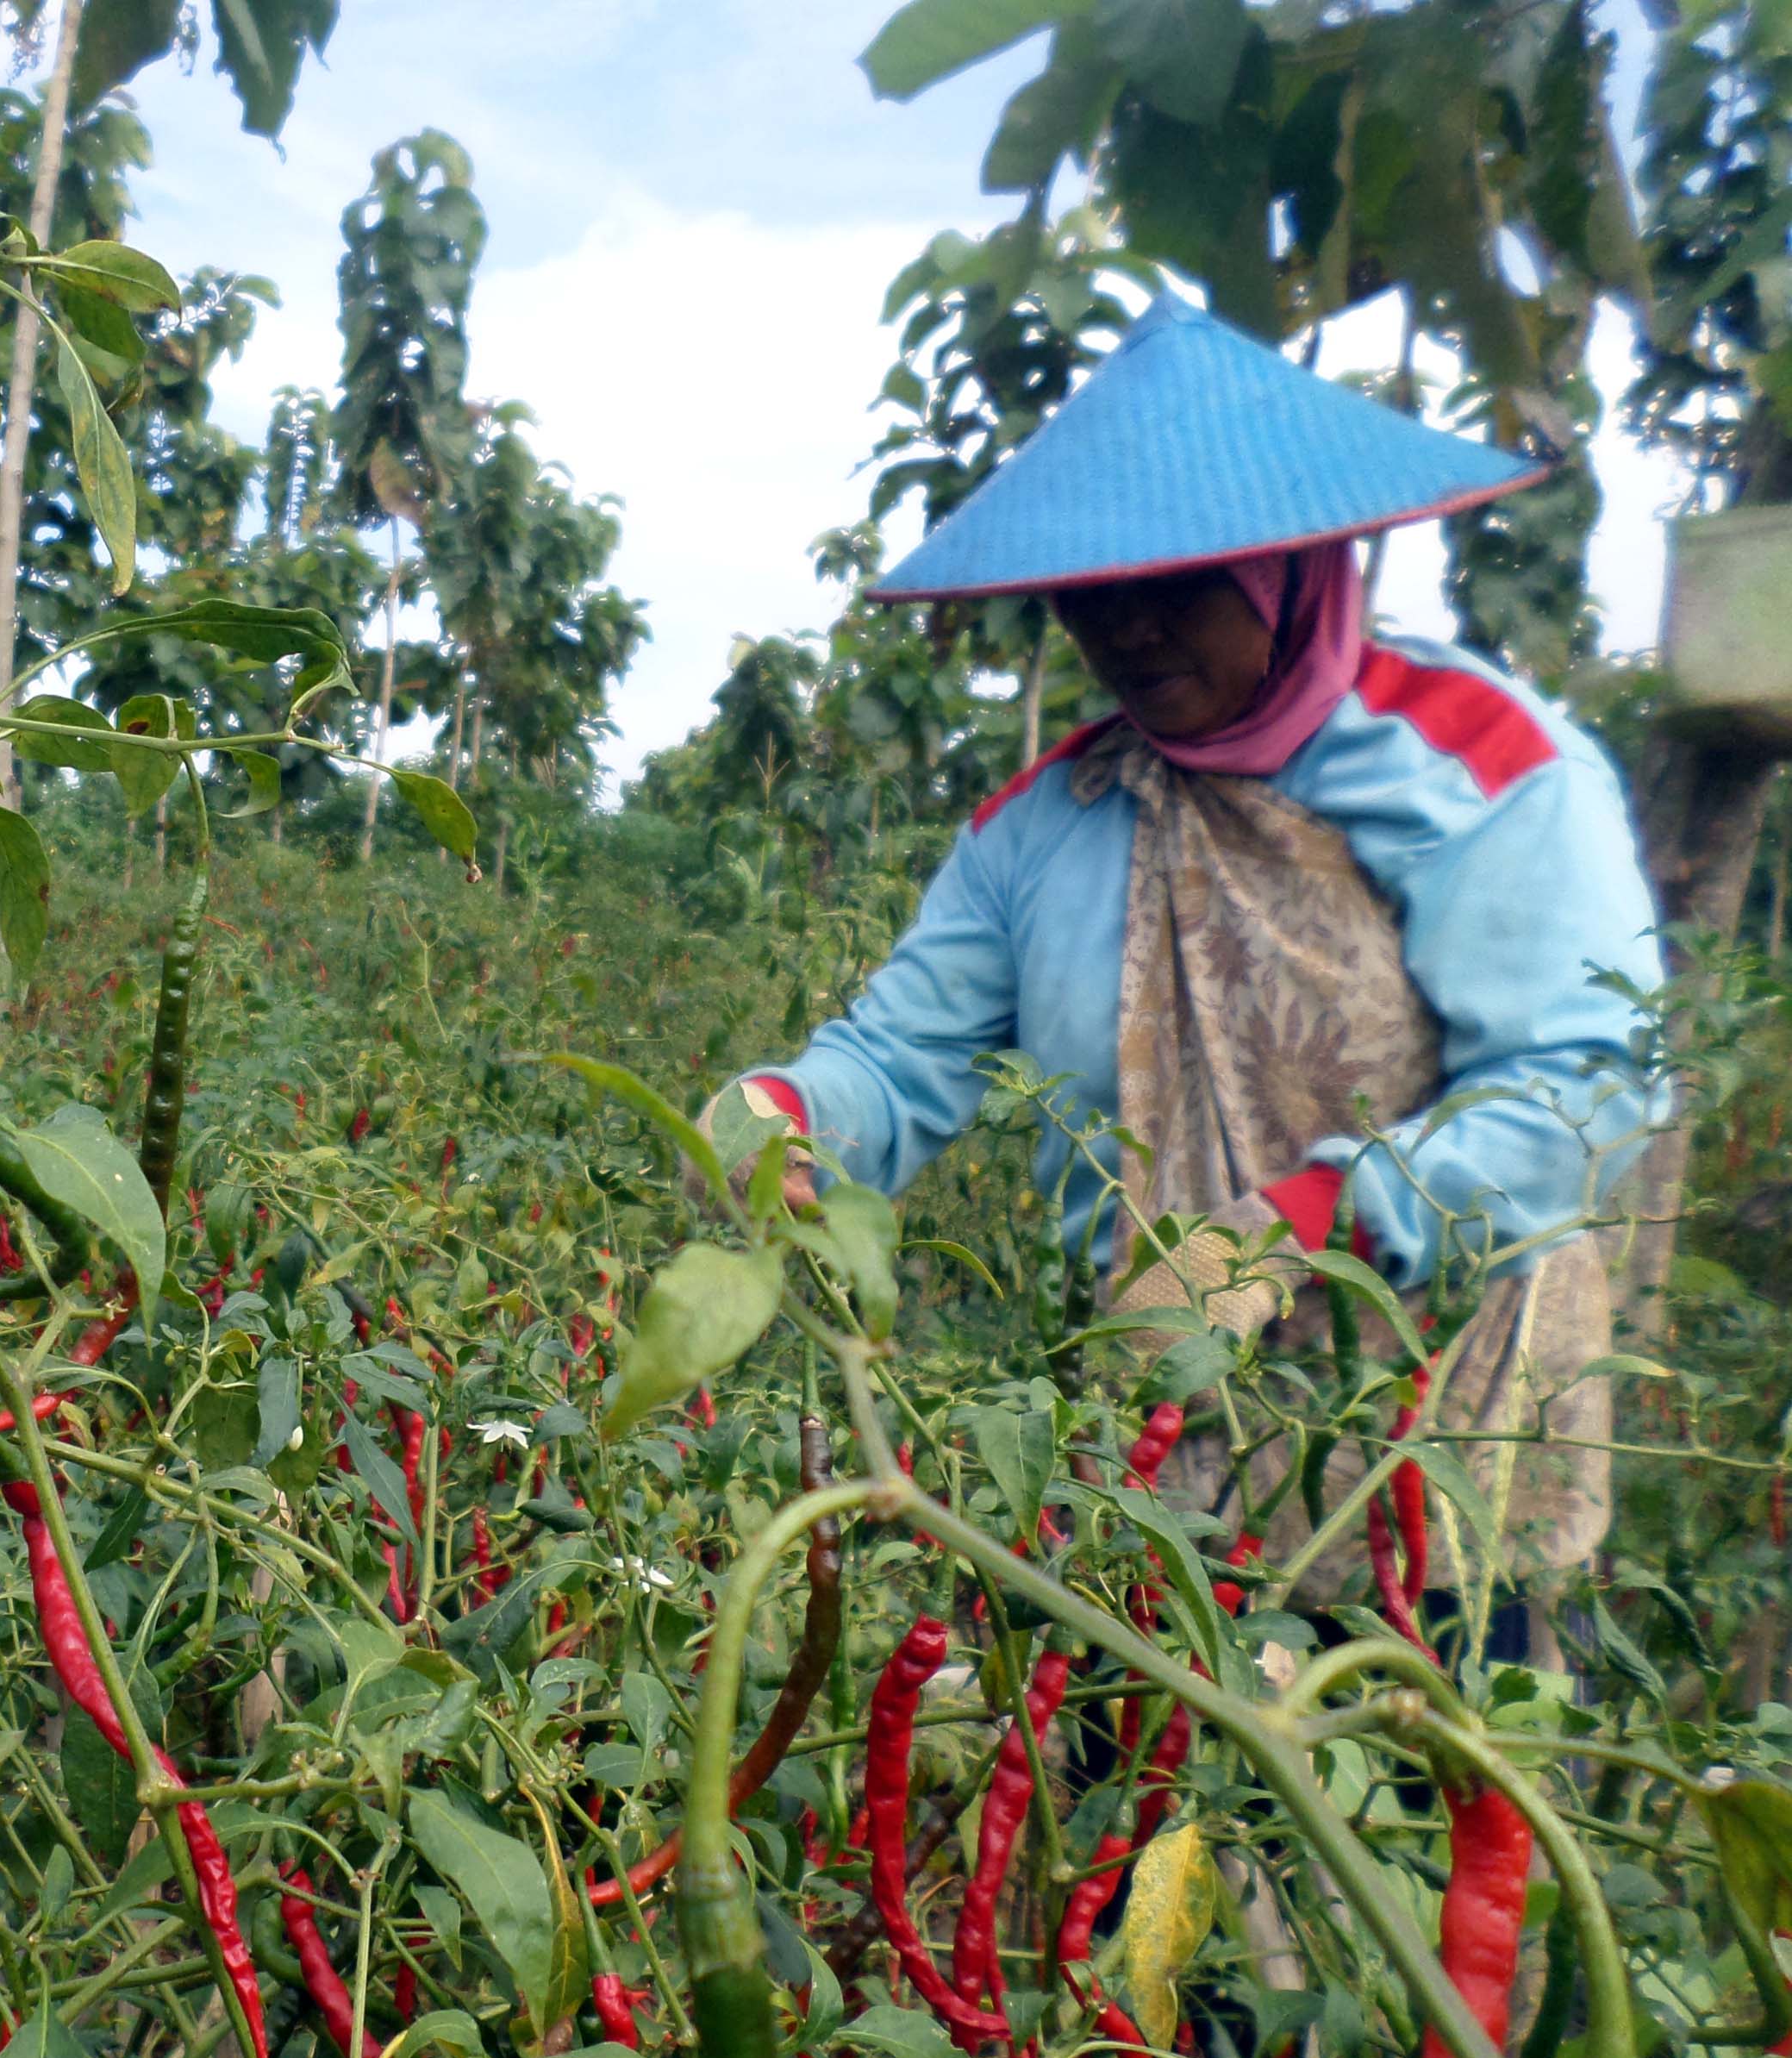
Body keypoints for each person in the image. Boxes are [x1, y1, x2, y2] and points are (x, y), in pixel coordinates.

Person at [713, 299, 1664, 1606]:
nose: (1127, 630)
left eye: (1173, 583)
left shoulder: (1480, 768)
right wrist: (785, 1115)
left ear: (1284, 563)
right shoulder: (1050, 826)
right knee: (1119, 1797)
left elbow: (1589, 1083)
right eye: (1091, 592)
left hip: (1432, 1457)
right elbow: (897, 1057)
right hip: (1145, 1476)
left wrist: (1311, 1228)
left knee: (1408, 1792)